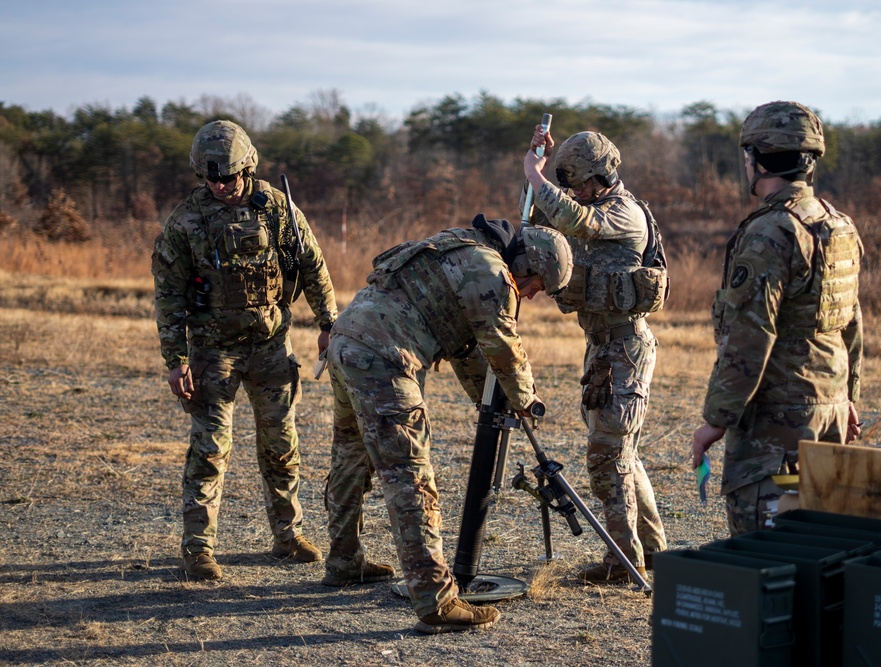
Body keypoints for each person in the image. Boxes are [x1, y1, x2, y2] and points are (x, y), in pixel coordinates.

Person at [323, 214, 571, 634]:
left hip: (345, 340)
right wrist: (527, 400)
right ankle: (435, 602)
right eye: (536, 287)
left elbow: (464, 348)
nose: (528, 296)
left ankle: (344, 560)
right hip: (384, 358)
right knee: (411, 479)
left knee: (352, 456)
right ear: (529, 266)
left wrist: (488, 399)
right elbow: (502, 346)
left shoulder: (461, 248)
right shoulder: (493, 273)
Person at [152, 119, 338, 580]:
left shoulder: (277, 208)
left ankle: (288, 536)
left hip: (271, 347)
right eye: (211, 177)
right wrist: (175, 361)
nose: (220, 186)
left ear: (248, 167)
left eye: (228, 177)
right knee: (210, 448)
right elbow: (168, 296)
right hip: (213, 354)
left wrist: (328, 324)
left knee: (282, 445)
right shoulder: (185, 222)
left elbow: (313, 265)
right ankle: (198, 549)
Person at [690, 101, 864, 536]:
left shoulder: (771, 231)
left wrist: (716, 420)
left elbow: (751, 334)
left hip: (778, 422)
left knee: (767, 556)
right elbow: (850, 322)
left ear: (755, 159)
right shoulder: (838, 224)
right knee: (820, 545)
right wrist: (850, 397)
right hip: (831, 409)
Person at [523, 128, 668, 583]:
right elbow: (535, 229)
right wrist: (536, 169)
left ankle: (623, 564)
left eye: (583, 182)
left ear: (605, 173)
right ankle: (651, 553)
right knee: (622, 452)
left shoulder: (622, 212)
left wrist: (534, 176)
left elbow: (576, 222)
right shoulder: (587, 207)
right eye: (571, 185)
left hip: (625, 345)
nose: (577, 192)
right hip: (603, 348)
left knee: (607, 455)